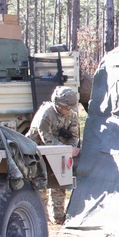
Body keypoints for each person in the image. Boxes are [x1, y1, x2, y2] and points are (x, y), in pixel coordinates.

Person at [27, 86, 81, 224]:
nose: (68, 111)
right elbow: (47, 140)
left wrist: (71, 147)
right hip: (38, 152)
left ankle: (58, 217)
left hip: (59, 152)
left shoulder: (71, 114)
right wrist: (67, 150)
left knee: (60, 184)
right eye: (66, 108)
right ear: (58, 104)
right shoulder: (46, 114)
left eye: (70, 108)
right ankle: (40, 218)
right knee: (40, 185)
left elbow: (74, 135)